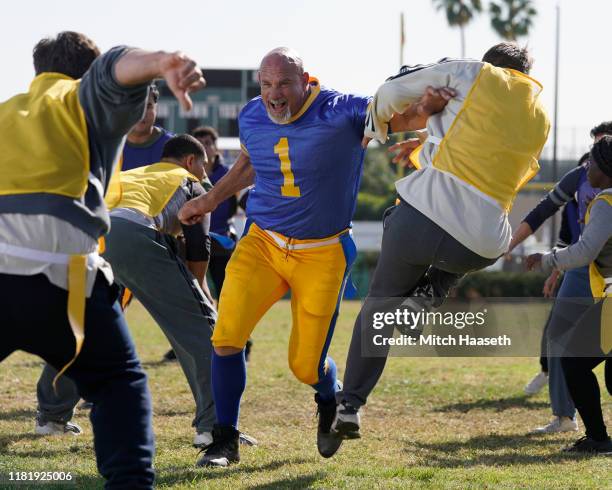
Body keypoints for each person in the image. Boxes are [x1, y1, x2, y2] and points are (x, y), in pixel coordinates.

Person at [178, 47, 449, 466]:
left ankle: (327, 397)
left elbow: (403, 116)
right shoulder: (252, 114)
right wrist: (210, 200)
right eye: (266, 84)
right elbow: (251, 164)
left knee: (305, 366)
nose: (274, 94)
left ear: (307, 81)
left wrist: (431, 110)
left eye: (284, 83)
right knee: (226, 336)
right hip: (262, 243)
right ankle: (223, 439)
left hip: (322, 252)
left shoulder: (341, 111)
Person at [0, 31, 205, 488]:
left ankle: (53, 413)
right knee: (118, 386)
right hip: (63, 275)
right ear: (87, 76)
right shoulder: (82, 98)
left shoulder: (7, 111)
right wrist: (163, 60)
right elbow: (116, 65)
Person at [330, 42, 551, 455]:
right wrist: (423, 143)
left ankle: (350, 404)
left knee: (379, 306)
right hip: (481, 245)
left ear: (491, 64)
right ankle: (431, 293)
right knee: (466, 249)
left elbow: (393, 90)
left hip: (420, 221)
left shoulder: (472, 72)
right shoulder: (540, 116)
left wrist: (375, 126)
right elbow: (486, 161)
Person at [34, 134, 222, 449]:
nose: (206, 174)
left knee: (83, 328)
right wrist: (201, 296)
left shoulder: (135, 174)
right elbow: (197, 250)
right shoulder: (191, 182)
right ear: (191, 161)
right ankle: (216, 427)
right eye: (204, 166)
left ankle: (52, 416)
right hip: (128, 234)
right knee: (201, 329)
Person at [509, 122, 612, 434]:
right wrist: (510, 247)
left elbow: (586, 247)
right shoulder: (579, 177)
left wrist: (548, 260)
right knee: (558, 337)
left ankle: (596, 432)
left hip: (597, 267)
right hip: (582, 264)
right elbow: (549, 216)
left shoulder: (606, 199)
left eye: (593, 156)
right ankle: (564, 418)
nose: (586, 162)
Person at [191, 126, 239, 296]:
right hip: (193, 240)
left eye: (208, 143)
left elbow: (241, 202)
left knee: (225, 291)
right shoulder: (185, 174)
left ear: (216, 147)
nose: (204, 147)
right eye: (199, 143)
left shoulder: (230, 173)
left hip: (221, 241)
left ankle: (223, 322)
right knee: (194, 290)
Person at [122, 84, 174, 170]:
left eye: (148, 106)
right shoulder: (107, 146)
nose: (142, 113)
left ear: (156, 109)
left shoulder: (174, 147)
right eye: (136, 105)